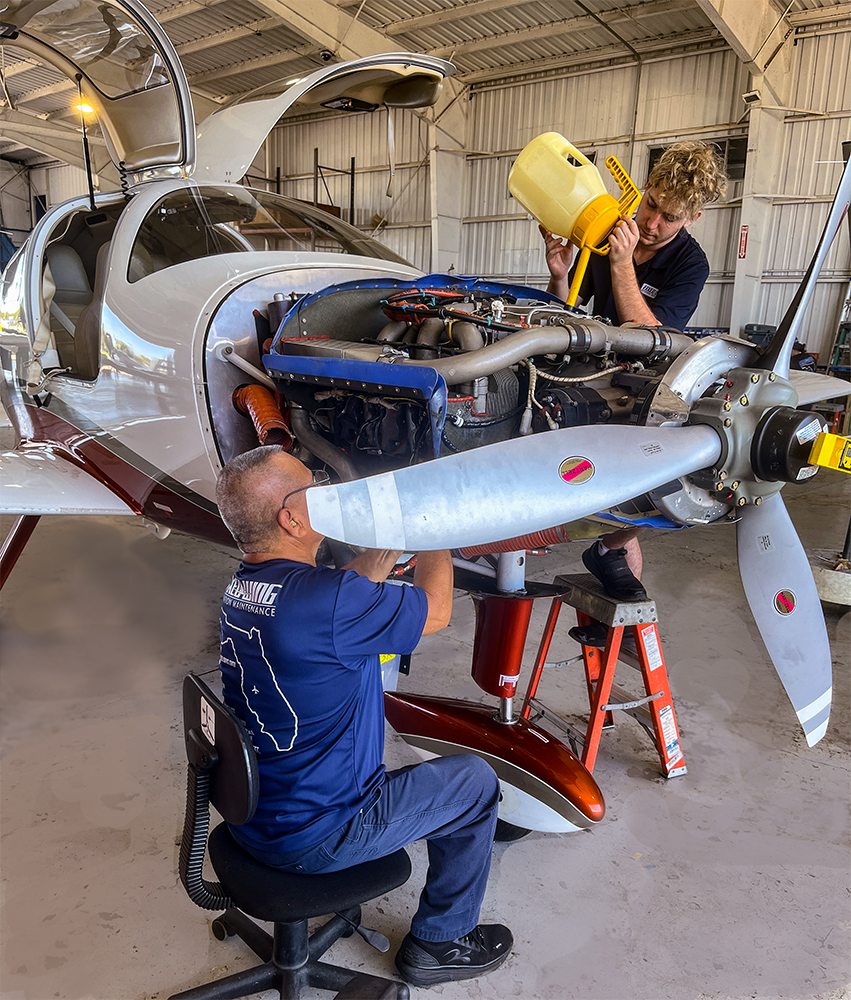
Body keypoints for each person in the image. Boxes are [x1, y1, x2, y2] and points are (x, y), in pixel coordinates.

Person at [214, 445, 513, 987]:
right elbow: (437, 610)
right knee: (473, 784)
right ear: (292, 518)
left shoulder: (245, 587)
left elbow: (337, 594)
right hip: (322, 833)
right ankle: (439, 943)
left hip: (256, 814)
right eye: (314, 489)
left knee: (439, 782)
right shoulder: (328, 605)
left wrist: (388, 543)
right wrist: (432, 527)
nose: (327, 495)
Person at [541, 140, 727, 613]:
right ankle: (607, 552)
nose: (651, 223)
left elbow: (651, 335)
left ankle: (610, 549)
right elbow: (564, 312)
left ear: (692, 219)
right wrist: (560, 274)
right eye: (651, 204)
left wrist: (622, 264)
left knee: (667, 476)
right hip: (582, 369)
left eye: (669, 218)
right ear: (644, 189)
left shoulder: (690, 264)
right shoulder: (610, 229)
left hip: (639, 380)